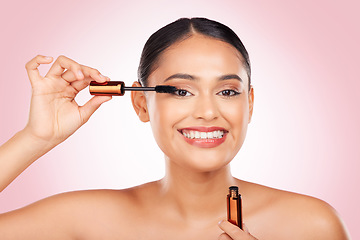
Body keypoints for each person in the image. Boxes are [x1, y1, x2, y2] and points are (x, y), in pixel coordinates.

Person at [0, 17, 350, 240]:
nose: (208, 111)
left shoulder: (310, 226)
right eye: (181, 91)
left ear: (250, 103)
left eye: (227, 91)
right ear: (141, 103)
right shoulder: (86, 220)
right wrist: (36, 138)